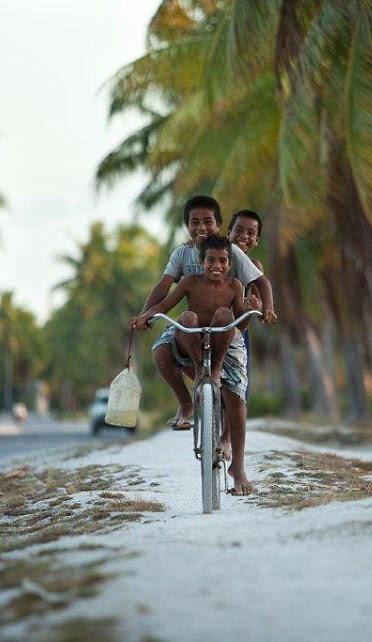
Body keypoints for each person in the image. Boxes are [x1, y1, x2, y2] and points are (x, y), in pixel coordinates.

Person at [138, 195, 277, 432]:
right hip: (192, 325)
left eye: (208, 221)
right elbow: (164, 290)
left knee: (236, 389)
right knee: (163, 348)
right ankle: (188, 401)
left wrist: (265, 308)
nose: (201, 227)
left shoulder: (231, 252)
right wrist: (145, 315)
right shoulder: (183, 256)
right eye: (194, 222)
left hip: (227, 326)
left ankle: (225, 433)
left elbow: (260, 283)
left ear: (218, 225)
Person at [134, 235, 260, 495]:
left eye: (223, 260)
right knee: (187, 316)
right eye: (210, 260)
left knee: (226, 316)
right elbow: (165, 304)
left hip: (222, 336)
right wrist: (146, 315)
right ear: (200, 262)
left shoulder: (236, 285)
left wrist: (250, 308)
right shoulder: (190, 282)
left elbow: (241, 323)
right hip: (192, 337)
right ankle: (195, 385)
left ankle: (214, 373)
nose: (217, 265)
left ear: (229, 262)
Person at [226, 209, 265, 400]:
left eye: (251, 233)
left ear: (257, 240)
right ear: (228, 234)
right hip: (208, 325)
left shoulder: (254, 266)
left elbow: (259, 298)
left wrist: (256, 306)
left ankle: (230, 430)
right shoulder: (213, 258)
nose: (244, 236)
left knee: (240, 387)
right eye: (238, 230)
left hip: (238, 330)